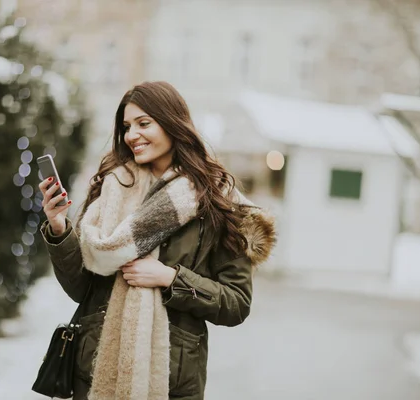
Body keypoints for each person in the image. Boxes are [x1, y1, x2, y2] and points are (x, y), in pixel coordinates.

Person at [38, 81, 276, 400]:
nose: (131, 135)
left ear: (172, 122)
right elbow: (82, 288)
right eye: (126, 126)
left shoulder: (217, 202)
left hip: (169, 382)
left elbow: (235, 304)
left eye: (143, 123)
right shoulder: (113, 186)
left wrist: (170, 279)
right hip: (95, 374)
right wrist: (58, 228)